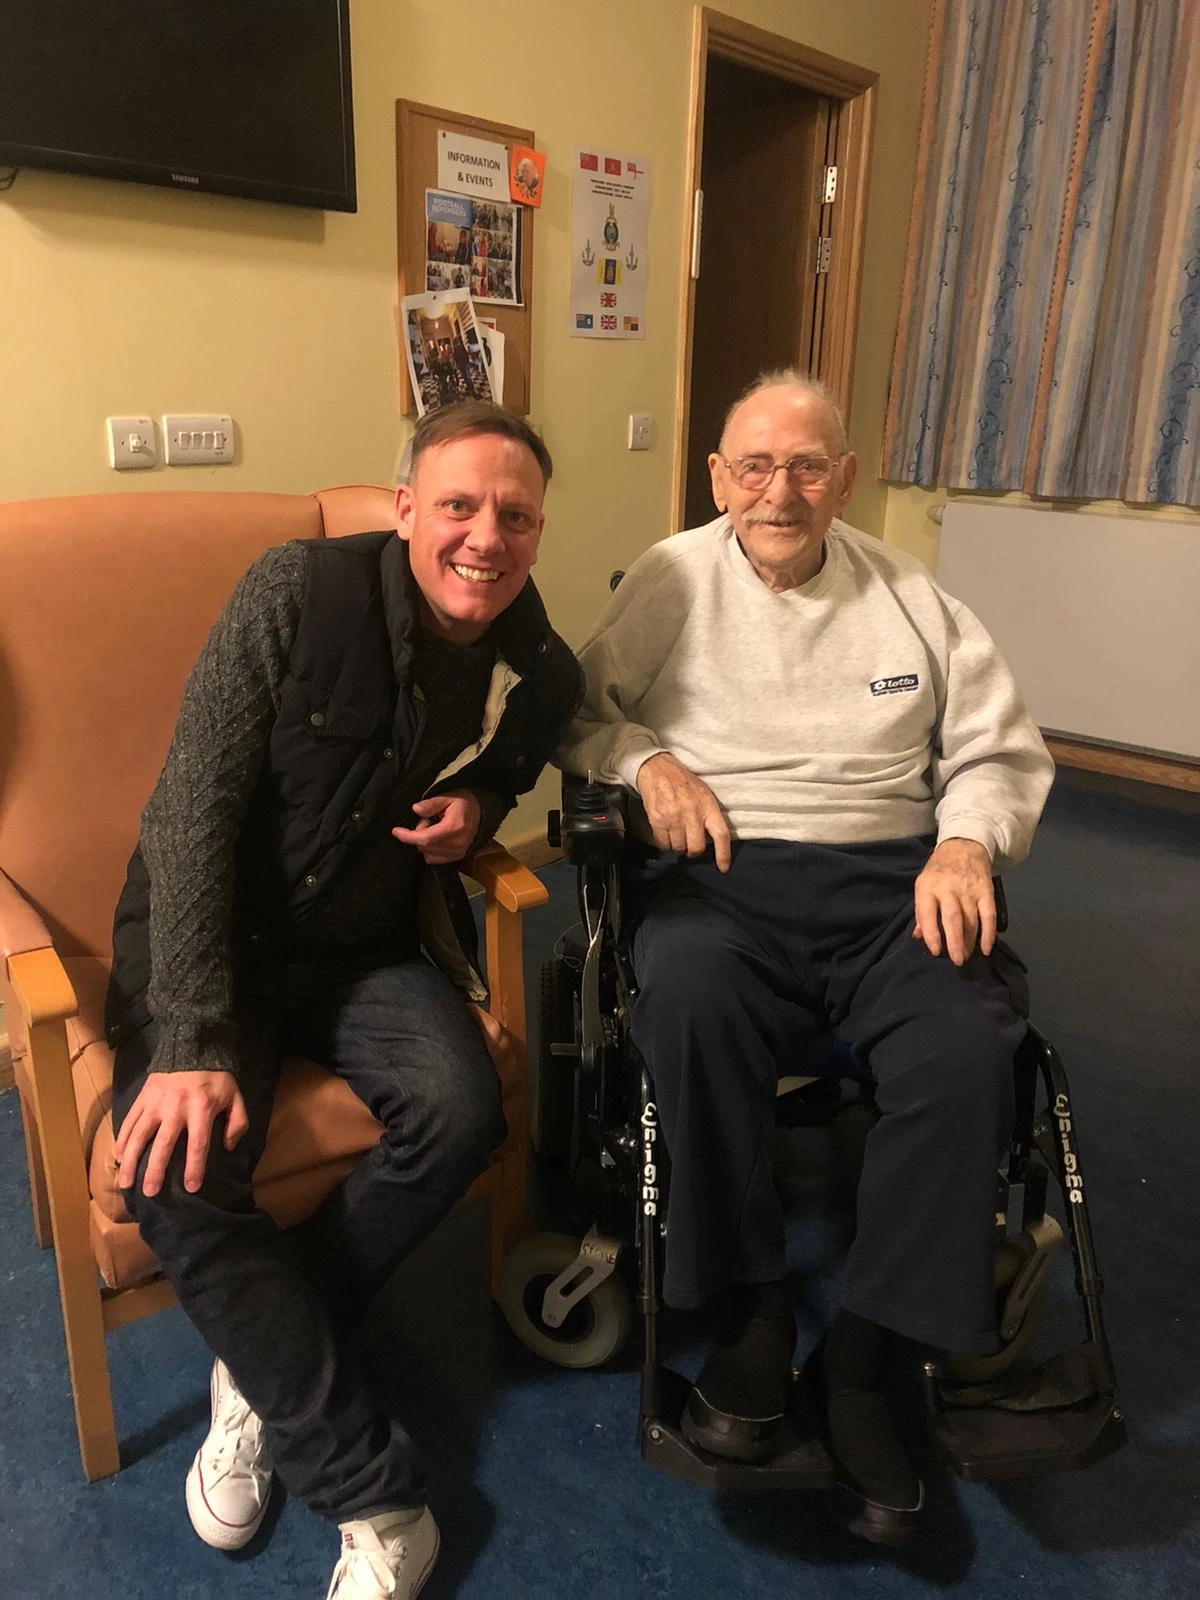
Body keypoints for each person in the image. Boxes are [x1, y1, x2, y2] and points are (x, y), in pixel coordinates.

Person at [558, 371, 1054, 1546]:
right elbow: (575, 715)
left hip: (898, 886)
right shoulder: (672, 579)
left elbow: (996, 746)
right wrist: (643, 764)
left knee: (967, 1039)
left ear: (845, 473)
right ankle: (752, 1310)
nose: (781, 491)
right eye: (755, 466)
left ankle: (869, 1358)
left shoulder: (912, 595)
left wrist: (969, 842)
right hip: (724, 880)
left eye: (809, 465)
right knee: (682, 993)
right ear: (719, 476)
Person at [106, 402, 581, 1599]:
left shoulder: (506, 617)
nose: (486, 536)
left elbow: (559, 685)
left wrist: (488, 792)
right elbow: (189, 812)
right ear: (405, 506)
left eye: (514, 515)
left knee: (462, 1108)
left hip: (364, 945)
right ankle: (376, 1493)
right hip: (214, 944)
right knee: (171, 1165)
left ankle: (267, 1356)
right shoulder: (292, 591)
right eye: (459, 506)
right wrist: (195, 1034)